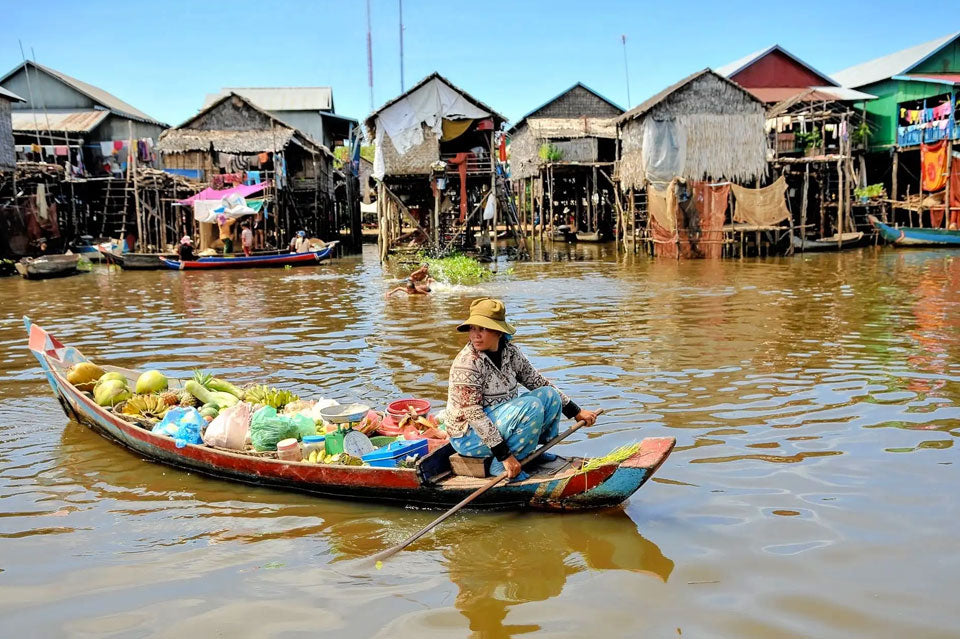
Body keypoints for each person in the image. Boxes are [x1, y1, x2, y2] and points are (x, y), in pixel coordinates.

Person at [446, 298, 598, 481]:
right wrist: (505, 456)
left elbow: (537, 381)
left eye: (483, 329)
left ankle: (530, 452)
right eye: (473, 328)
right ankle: (501, 464)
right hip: (469, 437)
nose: (475, 335)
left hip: (502, 423)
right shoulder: (468, 363)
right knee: (531, 405)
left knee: (549, 395)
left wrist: (576, 411)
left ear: (498, 332)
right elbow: (473, 414)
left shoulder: (510, 352)